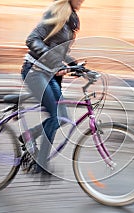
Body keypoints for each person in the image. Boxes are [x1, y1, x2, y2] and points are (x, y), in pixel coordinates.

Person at [20, 0, 84, 175]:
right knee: (55, 116)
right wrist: (56, 63)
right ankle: (40, 165)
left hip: (49, 74)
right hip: (35, 71)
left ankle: (29, 135)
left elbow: (57, 48)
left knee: (62, 117)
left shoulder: (71, 19)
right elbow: (32, 39)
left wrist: (75, 64)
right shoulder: (56, 14)